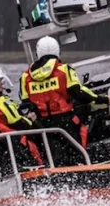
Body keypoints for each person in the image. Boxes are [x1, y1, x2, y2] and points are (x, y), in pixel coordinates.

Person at [18, 36, 98, 166]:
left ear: (37, 53)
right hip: (65, 122)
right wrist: (104, 99)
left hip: (41, 124)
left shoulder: (25, 77)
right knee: (76, 147)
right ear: (58, 51)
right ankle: (82, 165)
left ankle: (52, 170)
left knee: (51, 154)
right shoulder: (64, 70)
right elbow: (79, 93)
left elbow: (26, 103)